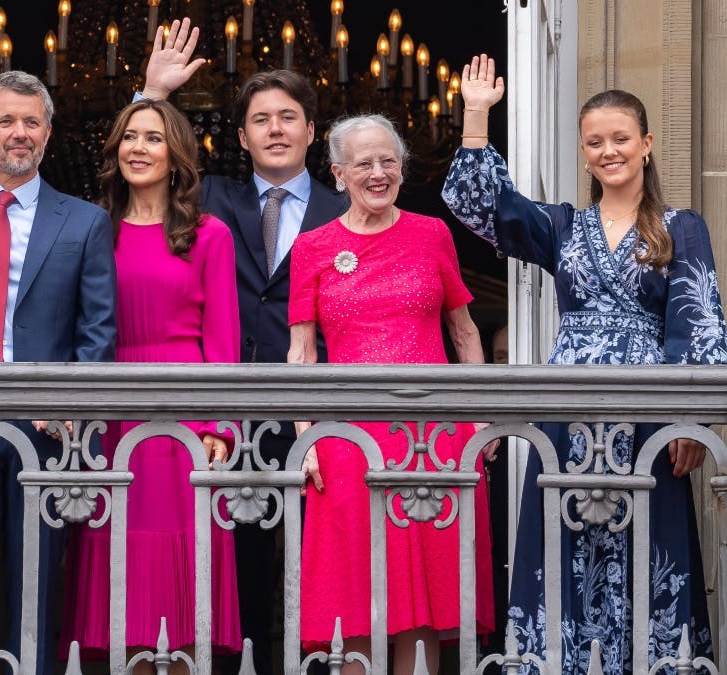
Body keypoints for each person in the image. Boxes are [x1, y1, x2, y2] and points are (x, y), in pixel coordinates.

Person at [444, 54, 727, 673]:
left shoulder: (682, 227)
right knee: (563, 541)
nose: (608, 151)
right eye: (594, 142)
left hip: (649, 413)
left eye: (620, 139)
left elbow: (698, 319)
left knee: (651, 545)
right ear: (582, 150)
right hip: (568, 413)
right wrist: (474, 117)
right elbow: (479, 206)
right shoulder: (563, 227)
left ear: (646, 144)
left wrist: (689, 417)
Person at [139, 21, 348, 673]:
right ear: (242, 136)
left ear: (313, 130)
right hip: (230, 413)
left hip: (323, 412)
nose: (277, 129)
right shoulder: (212, 201)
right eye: (262, 119)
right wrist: (154, 94)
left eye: (289, 117)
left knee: (324, 564)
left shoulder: (346, 209)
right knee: (238, 563)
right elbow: (145, 171)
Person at [288, 113, 496, 675]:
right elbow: (302, 353)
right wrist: (305, 439)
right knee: (355, 593)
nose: (378, 173)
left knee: (424, 595)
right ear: (337, 173)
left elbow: (465, 334)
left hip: (433, 438)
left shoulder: (432, 233)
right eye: (364, 163)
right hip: (348, 441)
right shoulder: (314, 247)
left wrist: (476, 421)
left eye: (389, 161)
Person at [0, 70, 117, 675]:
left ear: (49, 133)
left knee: (35, 578)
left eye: (32, 122)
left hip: (43, 422)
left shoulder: (82, 220)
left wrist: (70, 408)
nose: (19, 133)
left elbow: (97, 329)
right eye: (6, 121)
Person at [59, 98, 242, 671]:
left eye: (153, 138)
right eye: (129, 137)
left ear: (177, 154)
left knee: (184, 581)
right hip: (111, 418)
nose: (138, 148)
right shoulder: (93, 227)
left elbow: (224, 340)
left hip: (184, 414)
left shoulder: (209, 234)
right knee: (119, 583)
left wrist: (220, 427)